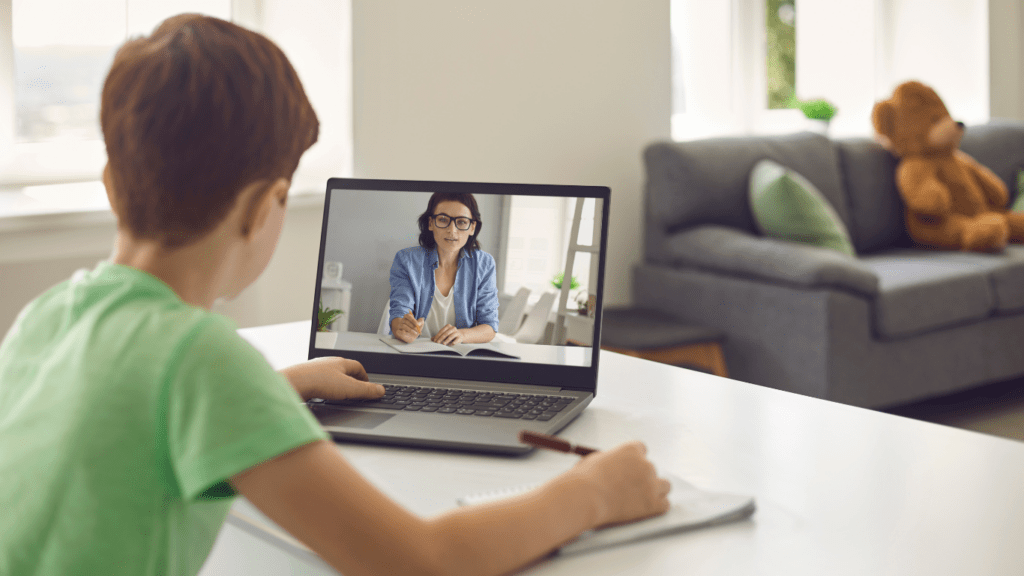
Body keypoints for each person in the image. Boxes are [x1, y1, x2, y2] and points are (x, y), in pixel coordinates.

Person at [0, 14, 670, 576]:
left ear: (112, 183)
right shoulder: (199, 358)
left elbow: (136, 405)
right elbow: (422, 560)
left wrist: (279, 383)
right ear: (265, 208)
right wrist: (590, 494)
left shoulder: (48, 316)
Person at [388, 192, 499, 345]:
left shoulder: (484, 264)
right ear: (431, 223)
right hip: (414, 352)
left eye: (461, 222)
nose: (452, 230)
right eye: (443, 219)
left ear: (472, 227)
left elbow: (490, 326)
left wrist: (462, 335)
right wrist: (402, 328)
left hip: (460, 356)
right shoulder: (406, 260)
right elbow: (399, 312)